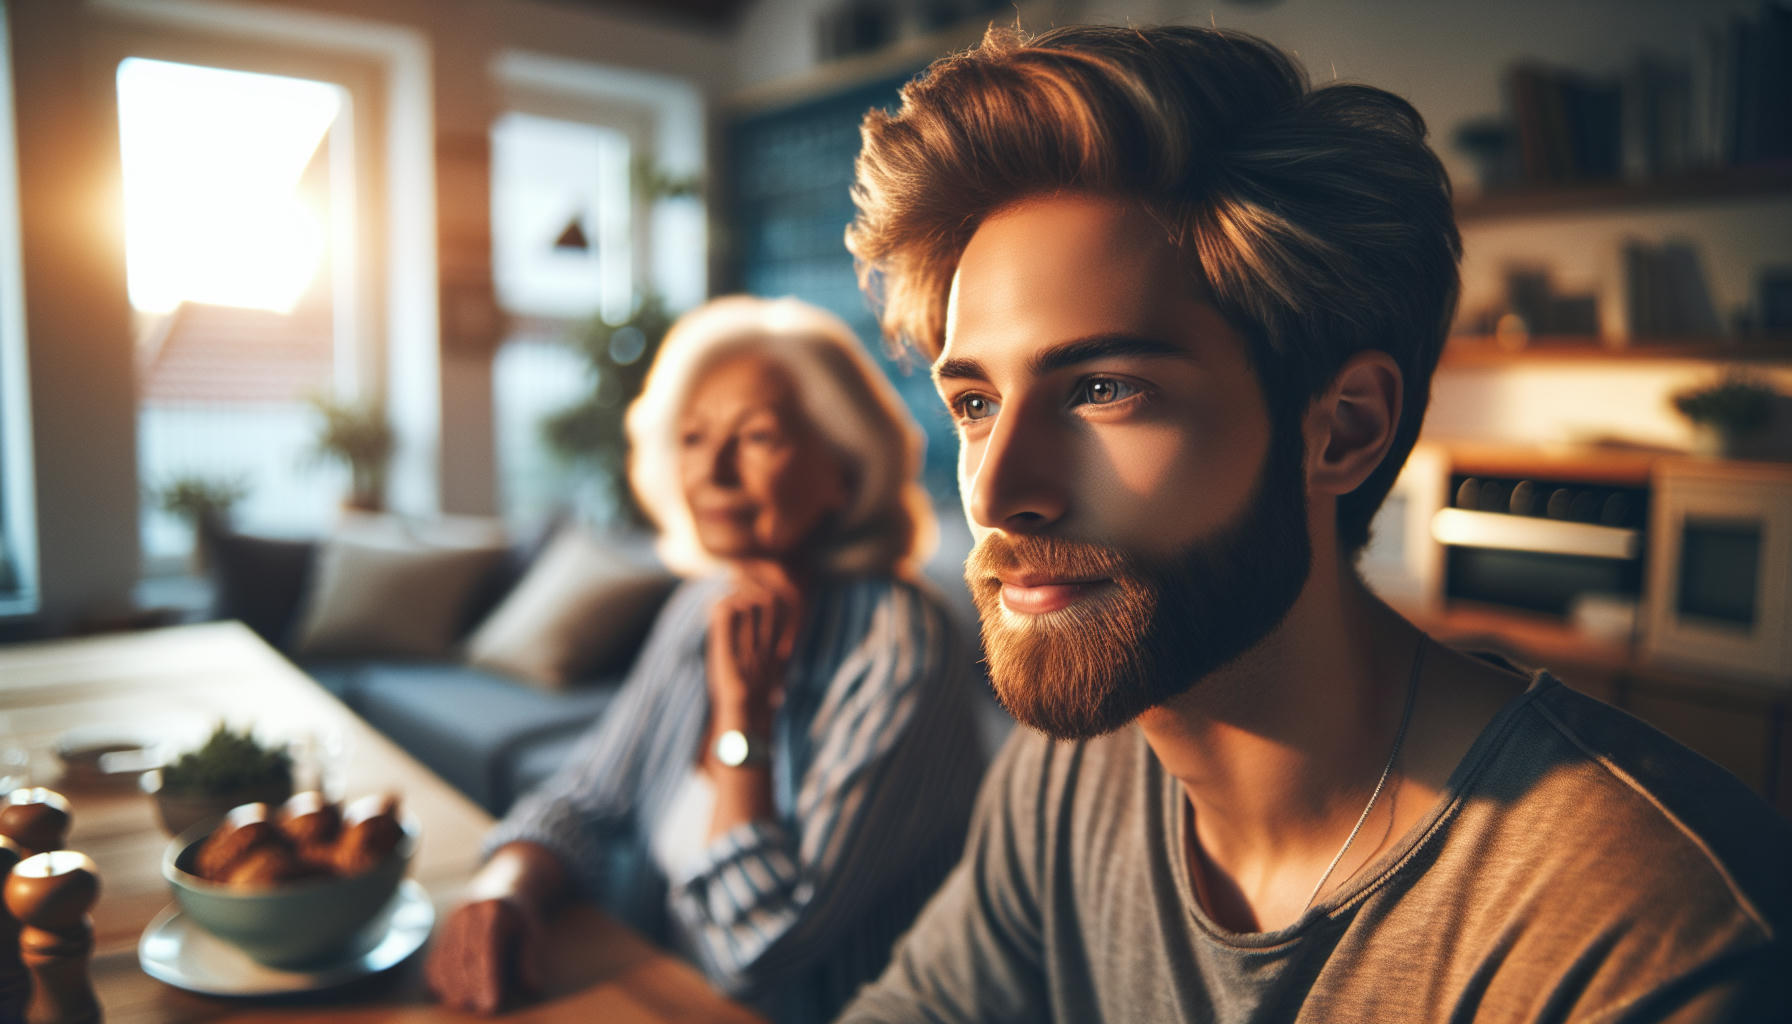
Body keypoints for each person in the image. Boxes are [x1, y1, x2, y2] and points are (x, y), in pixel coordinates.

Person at [837, 24, 1792, 1022]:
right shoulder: (1072, 775)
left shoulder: (1640, 929)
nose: (994, 492)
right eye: (975, 404)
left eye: (1103, 388)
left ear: (1340, 431)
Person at [425, 296, 985, 1023]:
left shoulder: (901, 643)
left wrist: (741, 720)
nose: (714, 472)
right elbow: (591, 793)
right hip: (654, 988)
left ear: (843, 472)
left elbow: (757, 946)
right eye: (693, 438)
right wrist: (506, 887)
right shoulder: (706, 602)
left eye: (755, 437)